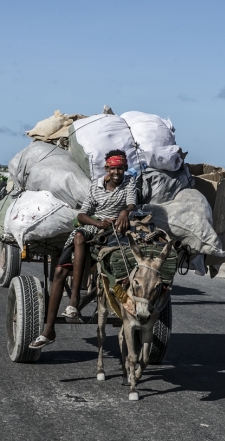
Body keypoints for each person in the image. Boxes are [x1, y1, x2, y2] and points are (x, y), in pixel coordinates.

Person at [29, 149, 137, 349]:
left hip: (116, 231)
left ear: (125, 169)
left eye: (120, 168)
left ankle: (76, 301)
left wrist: (124, 212)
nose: (117, 172)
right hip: (95, 227)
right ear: (107, 168)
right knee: (62, 267)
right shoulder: (96, 186)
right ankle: (52, 327)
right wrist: (97, 224)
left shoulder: (130, 183)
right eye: (113, 168)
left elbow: (132, 203)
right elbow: (81, 215)